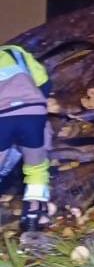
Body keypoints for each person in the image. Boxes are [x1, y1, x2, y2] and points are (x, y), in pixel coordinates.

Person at [0, 43, 54, 232]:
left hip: (2, 117)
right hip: (32, 113)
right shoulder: (15, 52)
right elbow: (44, 82)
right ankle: (33, 215)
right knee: (36, 166)